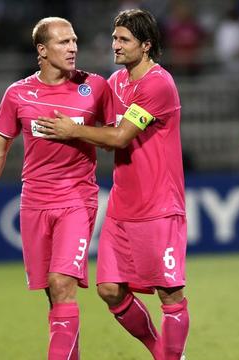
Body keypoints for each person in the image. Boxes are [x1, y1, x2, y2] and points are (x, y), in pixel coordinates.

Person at [37, 9, 189, 359]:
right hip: (122, 205)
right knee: (109, 289)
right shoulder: (116, 83)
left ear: (146, 46)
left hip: (158, 206)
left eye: (124, 40)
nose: (115, 45)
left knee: (170, 295)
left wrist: (73, 130)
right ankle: (160, 350)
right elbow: (104, 132)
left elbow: (119, 137)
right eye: (114, 38)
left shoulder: (158, 84)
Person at [0, 17, 112, 360]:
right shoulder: (17, 94)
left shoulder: (95, 87)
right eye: (63, 42)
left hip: (77, 199)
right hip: (34, 203)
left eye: (74, 41)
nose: (73, 48)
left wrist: (76, 132)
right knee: (53, 294)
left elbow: (115, 138)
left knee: (62, 285)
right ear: (42, 51)